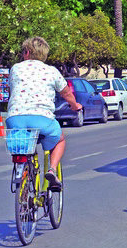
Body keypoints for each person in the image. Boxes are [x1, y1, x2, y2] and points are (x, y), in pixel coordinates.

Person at [6, 37, 82, 191]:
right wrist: (75, 106)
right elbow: (66, 93)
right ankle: (52, 170)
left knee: (22, 145)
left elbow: (11, 90)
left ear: (27, 52)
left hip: (15, 119)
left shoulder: (15, 68)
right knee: (60, 140)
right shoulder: (51, 71)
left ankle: (23, 173)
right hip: (42, 119)